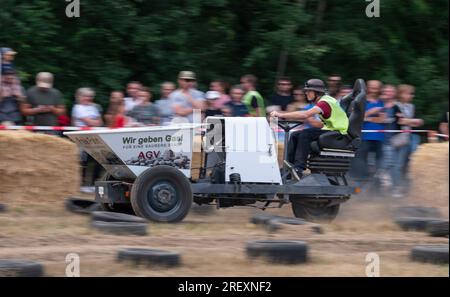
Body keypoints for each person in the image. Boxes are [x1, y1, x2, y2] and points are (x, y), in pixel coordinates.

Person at [270, 79, 349, 179]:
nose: (306, 93)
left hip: (338, 134)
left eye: (308, 91)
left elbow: (305, 114)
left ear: (316, 92)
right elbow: (320, 122)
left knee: (306, 134)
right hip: (333, 132)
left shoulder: (324, 103)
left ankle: (299, 168)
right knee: (295, 135)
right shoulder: (325, 101)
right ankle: (289, 167)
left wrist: (280, 114)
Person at [391, 84, 424, 197]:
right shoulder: (395, 106)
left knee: (409, 163)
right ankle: (396, 188)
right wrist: (413, 121)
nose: (411, 95)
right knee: (397, 164)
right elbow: (400, 122)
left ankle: (406, 187)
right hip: (397, 139)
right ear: (401, 94)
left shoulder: (412, 106)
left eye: (411, 93)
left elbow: (420, 122)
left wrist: (408, 121)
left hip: (408, 138)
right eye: (409, 93)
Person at [351, 80, 385, 182]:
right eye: (371, 87)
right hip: (364, 136)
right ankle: (361, 182)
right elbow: (357, 118)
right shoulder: (362, 101)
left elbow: (382, 120)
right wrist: (372, 112)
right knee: (361, 161)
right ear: (367, 88)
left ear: (379, 89)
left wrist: (367, 117)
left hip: (379, 138)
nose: (374, 89)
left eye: (376, 87)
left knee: (378, 164)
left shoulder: (381, 102)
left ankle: (375, 184)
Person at [71, 87, 103, 193]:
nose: (88, 98)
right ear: (80, 97)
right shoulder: (78, 107)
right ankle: (82, 184)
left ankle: (94, 183)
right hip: (82, 137)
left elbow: (100, 122)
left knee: (97, 160)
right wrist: (94, 121)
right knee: (83, 161)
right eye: (86, 96)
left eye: (90, 96)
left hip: (94, 137)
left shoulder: (94, 107)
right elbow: (90, 122)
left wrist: (93, 121)